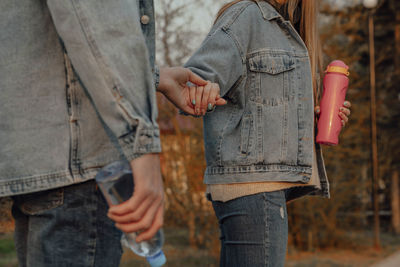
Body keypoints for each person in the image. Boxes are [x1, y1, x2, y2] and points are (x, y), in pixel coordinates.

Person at [0, 0, 223, 266]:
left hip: (43, 161)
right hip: (84, 162)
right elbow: (97, 23)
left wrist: (156, 77)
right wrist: (141, 143)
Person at [184, 0, 352, 266]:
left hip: (258, 188)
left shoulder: (287, 31)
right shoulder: (246, 16)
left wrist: (312, 115)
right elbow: (192, 82)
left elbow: (264, 104)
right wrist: (199, 92)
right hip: (253, 188)